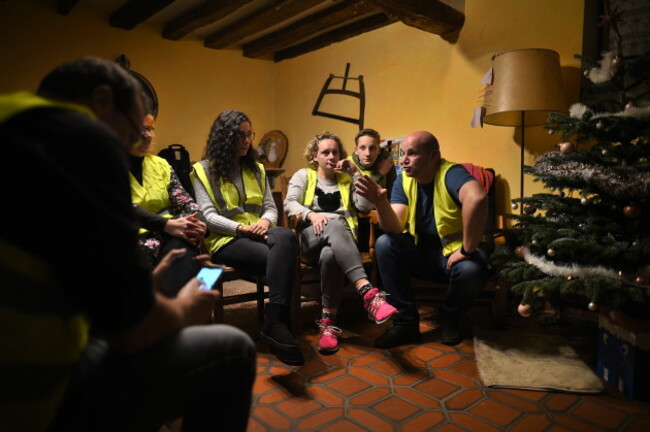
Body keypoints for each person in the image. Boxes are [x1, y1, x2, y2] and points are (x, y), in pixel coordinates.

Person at [0, 57, 255, 432]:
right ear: (102, 101)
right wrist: (184, 309)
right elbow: (131, 333)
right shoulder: (81, 137)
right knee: (232, 348)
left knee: (183, 260)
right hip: (31, 392)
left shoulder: (14, 118)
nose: (136, 139)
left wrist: (137, 292)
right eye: (133, 129)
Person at [355, 131, 489, 347]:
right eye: (402, 154)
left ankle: (450, 318)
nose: (404, 160)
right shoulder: (404, 180)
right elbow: (394, 226)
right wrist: (381, 202)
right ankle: (405, 324)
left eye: (412, 154)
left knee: (471, 270)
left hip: (454, 256)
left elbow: (478, 198)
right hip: (421, 253)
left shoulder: (452, 173)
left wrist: (466, 250)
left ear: (433, 156)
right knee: (384, 243)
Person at [191, 109, 304, 366]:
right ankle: (279, 324)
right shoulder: (202, 171)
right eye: (239, 135)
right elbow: (207, 216)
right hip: (226, 240)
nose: (245, 140)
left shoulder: (256, 169)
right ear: (223, 137)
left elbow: (270, 207)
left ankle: (274, 322)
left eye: (248, 135)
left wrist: (265, 222)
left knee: (285, 236)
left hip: (259, 234)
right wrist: (241, 229)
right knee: (281, 256)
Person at [284, 132, 397, 354]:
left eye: (335, 152)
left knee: (330, 255)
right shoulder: (304, 175)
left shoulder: (346, 179)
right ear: (315, 156)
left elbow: (364, 206)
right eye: (325, 152)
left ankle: (327, 325)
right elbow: (289, 204)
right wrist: (311, 215)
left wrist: (355, 173)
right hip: (308, 239)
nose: (331, 156)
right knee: (335, 224)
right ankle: (368, 293)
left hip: (339, 244)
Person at [129, 113, 207, 297]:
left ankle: (177, 310)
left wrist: (201, 223)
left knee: (187, 244)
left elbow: (185, 200)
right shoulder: (109, 164)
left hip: (168, 234)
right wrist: (167, 224)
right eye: (141, 129)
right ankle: (173, 311)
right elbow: (122, 207)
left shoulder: (161, 164)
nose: (146, 135)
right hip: (131, 239)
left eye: (149, 129)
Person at [347, 128, 396, 252]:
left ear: (379, 150)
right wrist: (379, 174)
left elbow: (393, 197)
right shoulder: (347, 165)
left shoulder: (387, 164)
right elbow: (360, 205)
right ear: (356, 150)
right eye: (362, 148)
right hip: (355, 220)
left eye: (372, 148)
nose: (368, 153)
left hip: (380, 219)